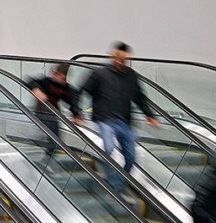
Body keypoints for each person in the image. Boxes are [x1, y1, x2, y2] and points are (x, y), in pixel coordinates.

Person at [79, 41, 161, 191]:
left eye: (124, 59)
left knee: (131, 157)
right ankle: (112, 184)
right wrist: (77, 112)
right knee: (108, 150)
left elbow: (139, 97)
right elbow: (83, 89)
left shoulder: (131, 76)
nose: (121, 61)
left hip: (124, 122)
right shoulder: (100, 74)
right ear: (113, 57)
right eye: (118, 58)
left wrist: (150, 115)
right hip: (105, 120)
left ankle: (117, 185)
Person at [25, 63, 81, 161]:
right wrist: (36, 90)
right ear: (55, 74)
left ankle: (48, 160)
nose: (62, 81)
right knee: (50, 138)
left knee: (55, 140)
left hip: (53, 115)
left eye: (64, 79)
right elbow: (30, 81)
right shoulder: (47, 82)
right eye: (61, 77)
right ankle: (44, 158)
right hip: (42, 113)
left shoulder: (64, 87)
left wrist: (76, 114)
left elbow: (73, 98)